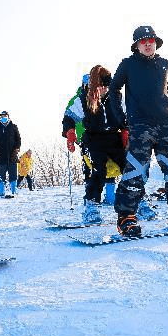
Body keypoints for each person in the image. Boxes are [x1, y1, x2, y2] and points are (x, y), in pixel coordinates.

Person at [108, 25, 168, 237]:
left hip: (166, 125)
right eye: (143, 41)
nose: (148, 44)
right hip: (139, 125)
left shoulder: (165, 64)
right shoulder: (127, 64)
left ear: (156, 42)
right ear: (136, 45)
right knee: (136, 171)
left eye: (151, 40)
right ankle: (126, 218)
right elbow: (113, 90)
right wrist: (121, 119)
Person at [67, 65, 128, 224]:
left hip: (113, 137)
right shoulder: (84, 99)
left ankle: (136, 201)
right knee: (98, 169)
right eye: (100, 86)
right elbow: (69, 117)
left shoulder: (116, 98)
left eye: (106, 86)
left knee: (129, 167)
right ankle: (91, 206)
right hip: (93, 138)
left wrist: (126, 131)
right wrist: (70, 132)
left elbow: (127, 116)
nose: (103, 89)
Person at [62, 74, 117, 203]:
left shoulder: (107, 98)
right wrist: (70, 133)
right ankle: (91, 197)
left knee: (110, 164)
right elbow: (68, 118)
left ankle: (110, 195)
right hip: (84, 137)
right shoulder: (77, 100)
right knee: (91, 166)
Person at [0, 111, 21, 197]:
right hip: (0, 154)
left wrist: (18, 147)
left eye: (5, 116)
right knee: (1, 175)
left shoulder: (13, 127)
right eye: (2, 116)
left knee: (13, 174)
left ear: (8, 116)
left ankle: (14, 191)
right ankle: (1, 192)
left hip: (12, 154)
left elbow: (18, 139)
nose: (3, 117)